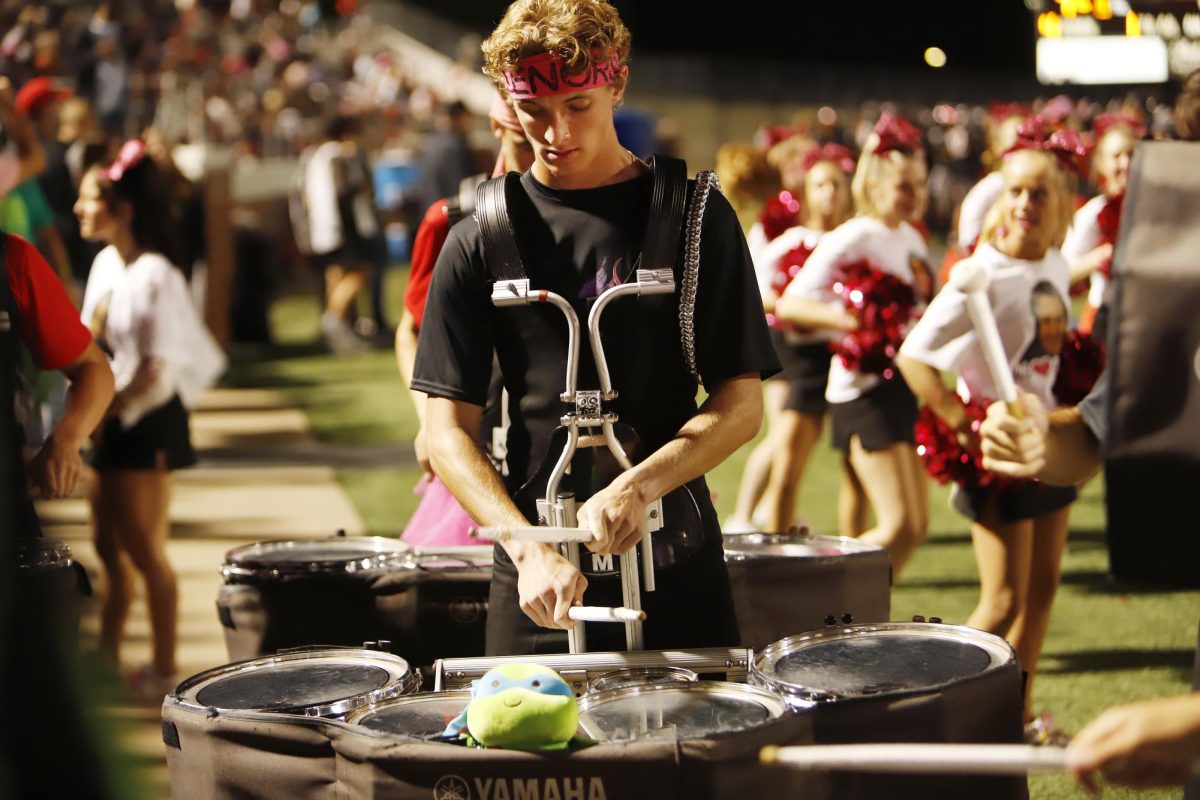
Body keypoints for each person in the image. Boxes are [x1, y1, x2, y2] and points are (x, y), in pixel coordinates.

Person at [411, 0, 778, 654]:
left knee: (688, 749)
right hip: (535, 576)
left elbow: (742, 405)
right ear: (505, 100)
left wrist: (639, 485)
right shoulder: (476, 239)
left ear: (618, 84)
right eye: (534, 111)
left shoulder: (696, 218)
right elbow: (446, 434)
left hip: (676, 555)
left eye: (577, 105)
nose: (555, 132)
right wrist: (525, 553)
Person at [897, 143, 1079, 733]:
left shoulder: (1053, 261)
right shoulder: (983, 273)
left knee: (1044, 591)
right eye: (1016, 190)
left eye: (1039, 192)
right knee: (1002, 601)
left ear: (1061, 205)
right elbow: (914, 356)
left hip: (1049, 445)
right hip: (1000, 453)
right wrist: (963, 423)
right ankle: (930, 711)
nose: (1025, 202)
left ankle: (1016, 716)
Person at [75, 139, 225, 694]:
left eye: (89, 198)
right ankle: (106, 663)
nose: (77, 209)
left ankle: (166, 671)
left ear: (123, 208)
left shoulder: (156, 272)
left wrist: (110, 408)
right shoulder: (105, 263)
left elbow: (160, 370)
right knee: (108, 549)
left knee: (143, 549)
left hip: (145, 424)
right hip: (108, 422)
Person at [775, 113, 932, 573]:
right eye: (904, 185)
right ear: (877, 185)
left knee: (916, 527)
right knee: (898, 523)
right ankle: (819, 593)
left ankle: (866, 617)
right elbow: (790, 306)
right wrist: (856, 319)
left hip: (901, 383)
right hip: (861, 389)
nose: (915, 195)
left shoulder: (911, 239)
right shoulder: (855, 234)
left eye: (919, 185)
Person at [394, 93, 534, 546]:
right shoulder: (453, 220)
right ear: (497, 128)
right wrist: (428, 420)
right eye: (523, 139)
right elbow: (411, 330)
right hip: (477, 445)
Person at [751, 145, 855, 533]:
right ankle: (768, 535)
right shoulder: (790, 241)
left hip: (853, 359)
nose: (829, 192)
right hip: (803, 358)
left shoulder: (857, 237)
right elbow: (754, 294)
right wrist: (794, 307)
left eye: (837, 184)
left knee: (857, 471)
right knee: (787, 458)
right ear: (807, 192)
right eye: (821, 184)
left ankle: (856, 552)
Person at [293, 114, 385, 354]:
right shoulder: (339, 157)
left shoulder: (316, 156)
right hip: (342, 227)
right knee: (360, 272)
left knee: (336, 275)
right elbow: (346, 193)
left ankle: (341, 326)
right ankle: (333, 321)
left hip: (322, 227)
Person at [1061, 118, 1138, 341]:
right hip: (1105, 319)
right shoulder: (1094, 213)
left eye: (1132, 154)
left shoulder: (1154, 208)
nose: (1126, 164)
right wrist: (1097, 258)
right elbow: (1063, 273)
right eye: (1117, 156)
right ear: (1102, 163)